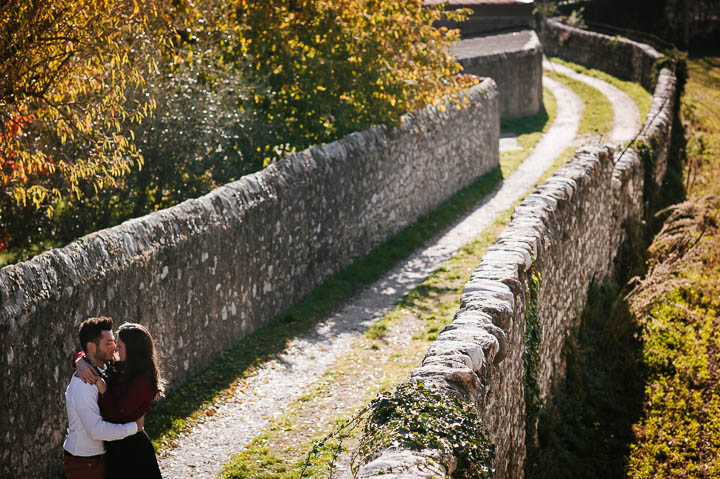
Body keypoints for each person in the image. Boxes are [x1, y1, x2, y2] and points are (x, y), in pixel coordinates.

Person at [76, 322, 164, 478]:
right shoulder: (121, 366)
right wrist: (79, 361)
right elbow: (90, 355)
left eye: (120, 345)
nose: (115, 347)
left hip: (133, 453)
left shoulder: (142, 381)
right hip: (116, 447)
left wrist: (104, 392)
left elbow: (117, 414)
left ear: (132, 350)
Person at [63, 317, 143, 479]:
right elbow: (96, 430)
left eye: (114, 341)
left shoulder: (104, 367)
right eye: (108, 343)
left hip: (98, 456)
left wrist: (79, 360)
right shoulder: (84, 384)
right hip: (84, 462)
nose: (114, 347)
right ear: (92, 347)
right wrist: (134, 427)